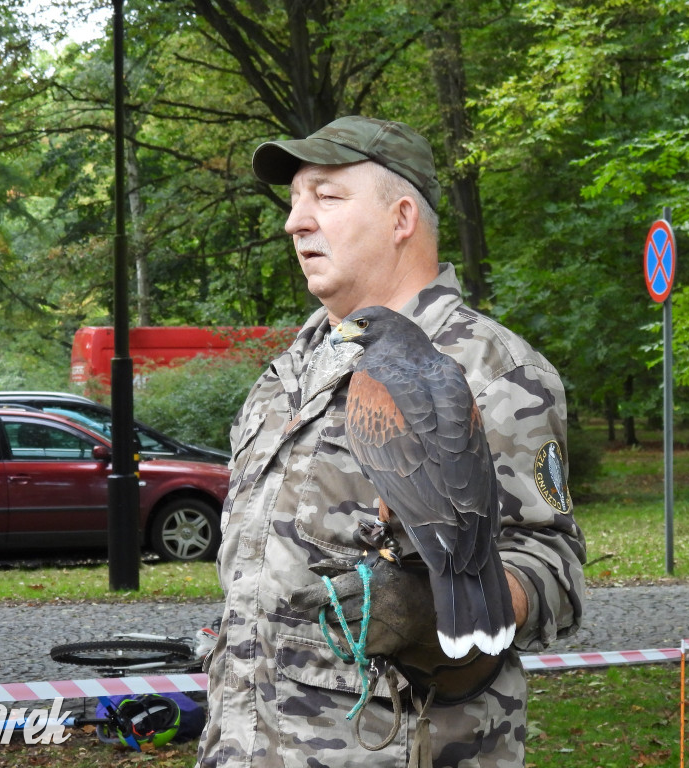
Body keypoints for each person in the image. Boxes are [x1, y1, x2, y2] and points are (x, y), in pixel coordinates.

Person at [196, 115, 586, 768]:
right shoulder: (284, 377)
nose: (295, 221)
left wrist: (432, 612)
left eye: (325, 195)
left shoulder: (492, 370)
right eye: (293, 200)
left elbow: (555, 575)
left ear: (402, 217)